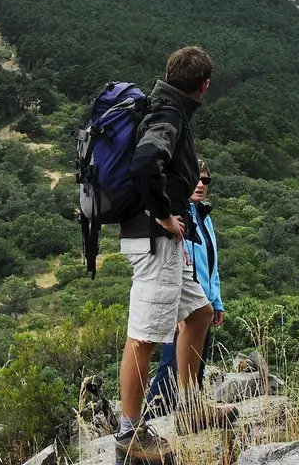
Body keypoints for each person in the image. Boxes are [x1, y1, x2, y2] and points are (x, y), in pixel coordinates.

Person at [115, 47, 237, 465]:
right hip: (155, 241)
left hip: (164, 242)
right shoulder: (167, 114)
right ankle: (130, 434)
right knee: (144, 337)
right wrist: (163, 214)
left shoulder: (164, 107)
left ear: (168, 74)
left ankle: (191, 407)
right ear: (204, 85)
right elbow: (145, 161)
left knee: (199, 313)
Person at [145, 159, 224, 418]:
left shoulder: (204, 216)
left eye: (205, 180)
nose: (201, 185)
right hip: (184, 305)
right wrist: (180, 309)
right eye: (195, 179)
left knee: (196, 364)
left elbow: (211, 262)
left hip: (203, 304)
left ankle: (192, 414)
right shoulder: (178, 215)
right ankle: (149, 421)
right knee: (171, 367)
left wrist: (216, 301)